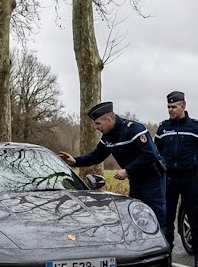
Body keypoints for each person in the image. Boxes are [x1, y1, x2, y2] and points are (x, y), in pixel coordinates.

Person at [58, 102, 168, 238]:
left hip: (153, 180)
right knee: (138, 218)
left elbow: (149, 154)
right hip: (136, 181)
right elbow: (96, 156)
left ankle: (163, 253)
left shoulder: (134, 129)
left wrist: (127, 170)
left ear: (108, 120)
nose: (96, 127)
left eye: (98, 123)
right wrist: (75, 161)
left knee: (157, 219)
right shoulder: (108, 137)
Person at [154, 91, 198, 267]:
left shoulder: (196, 128)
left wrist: (195, 165)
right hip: (170, 179)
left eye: (174, 107)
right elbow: (157, 152)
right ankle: (167, 257)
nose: (171, 110)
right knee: (167, 219)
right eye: (169, 107)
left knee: (195, 218)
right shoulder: (163, 128)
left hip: (189, 178)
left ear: (183, 106)